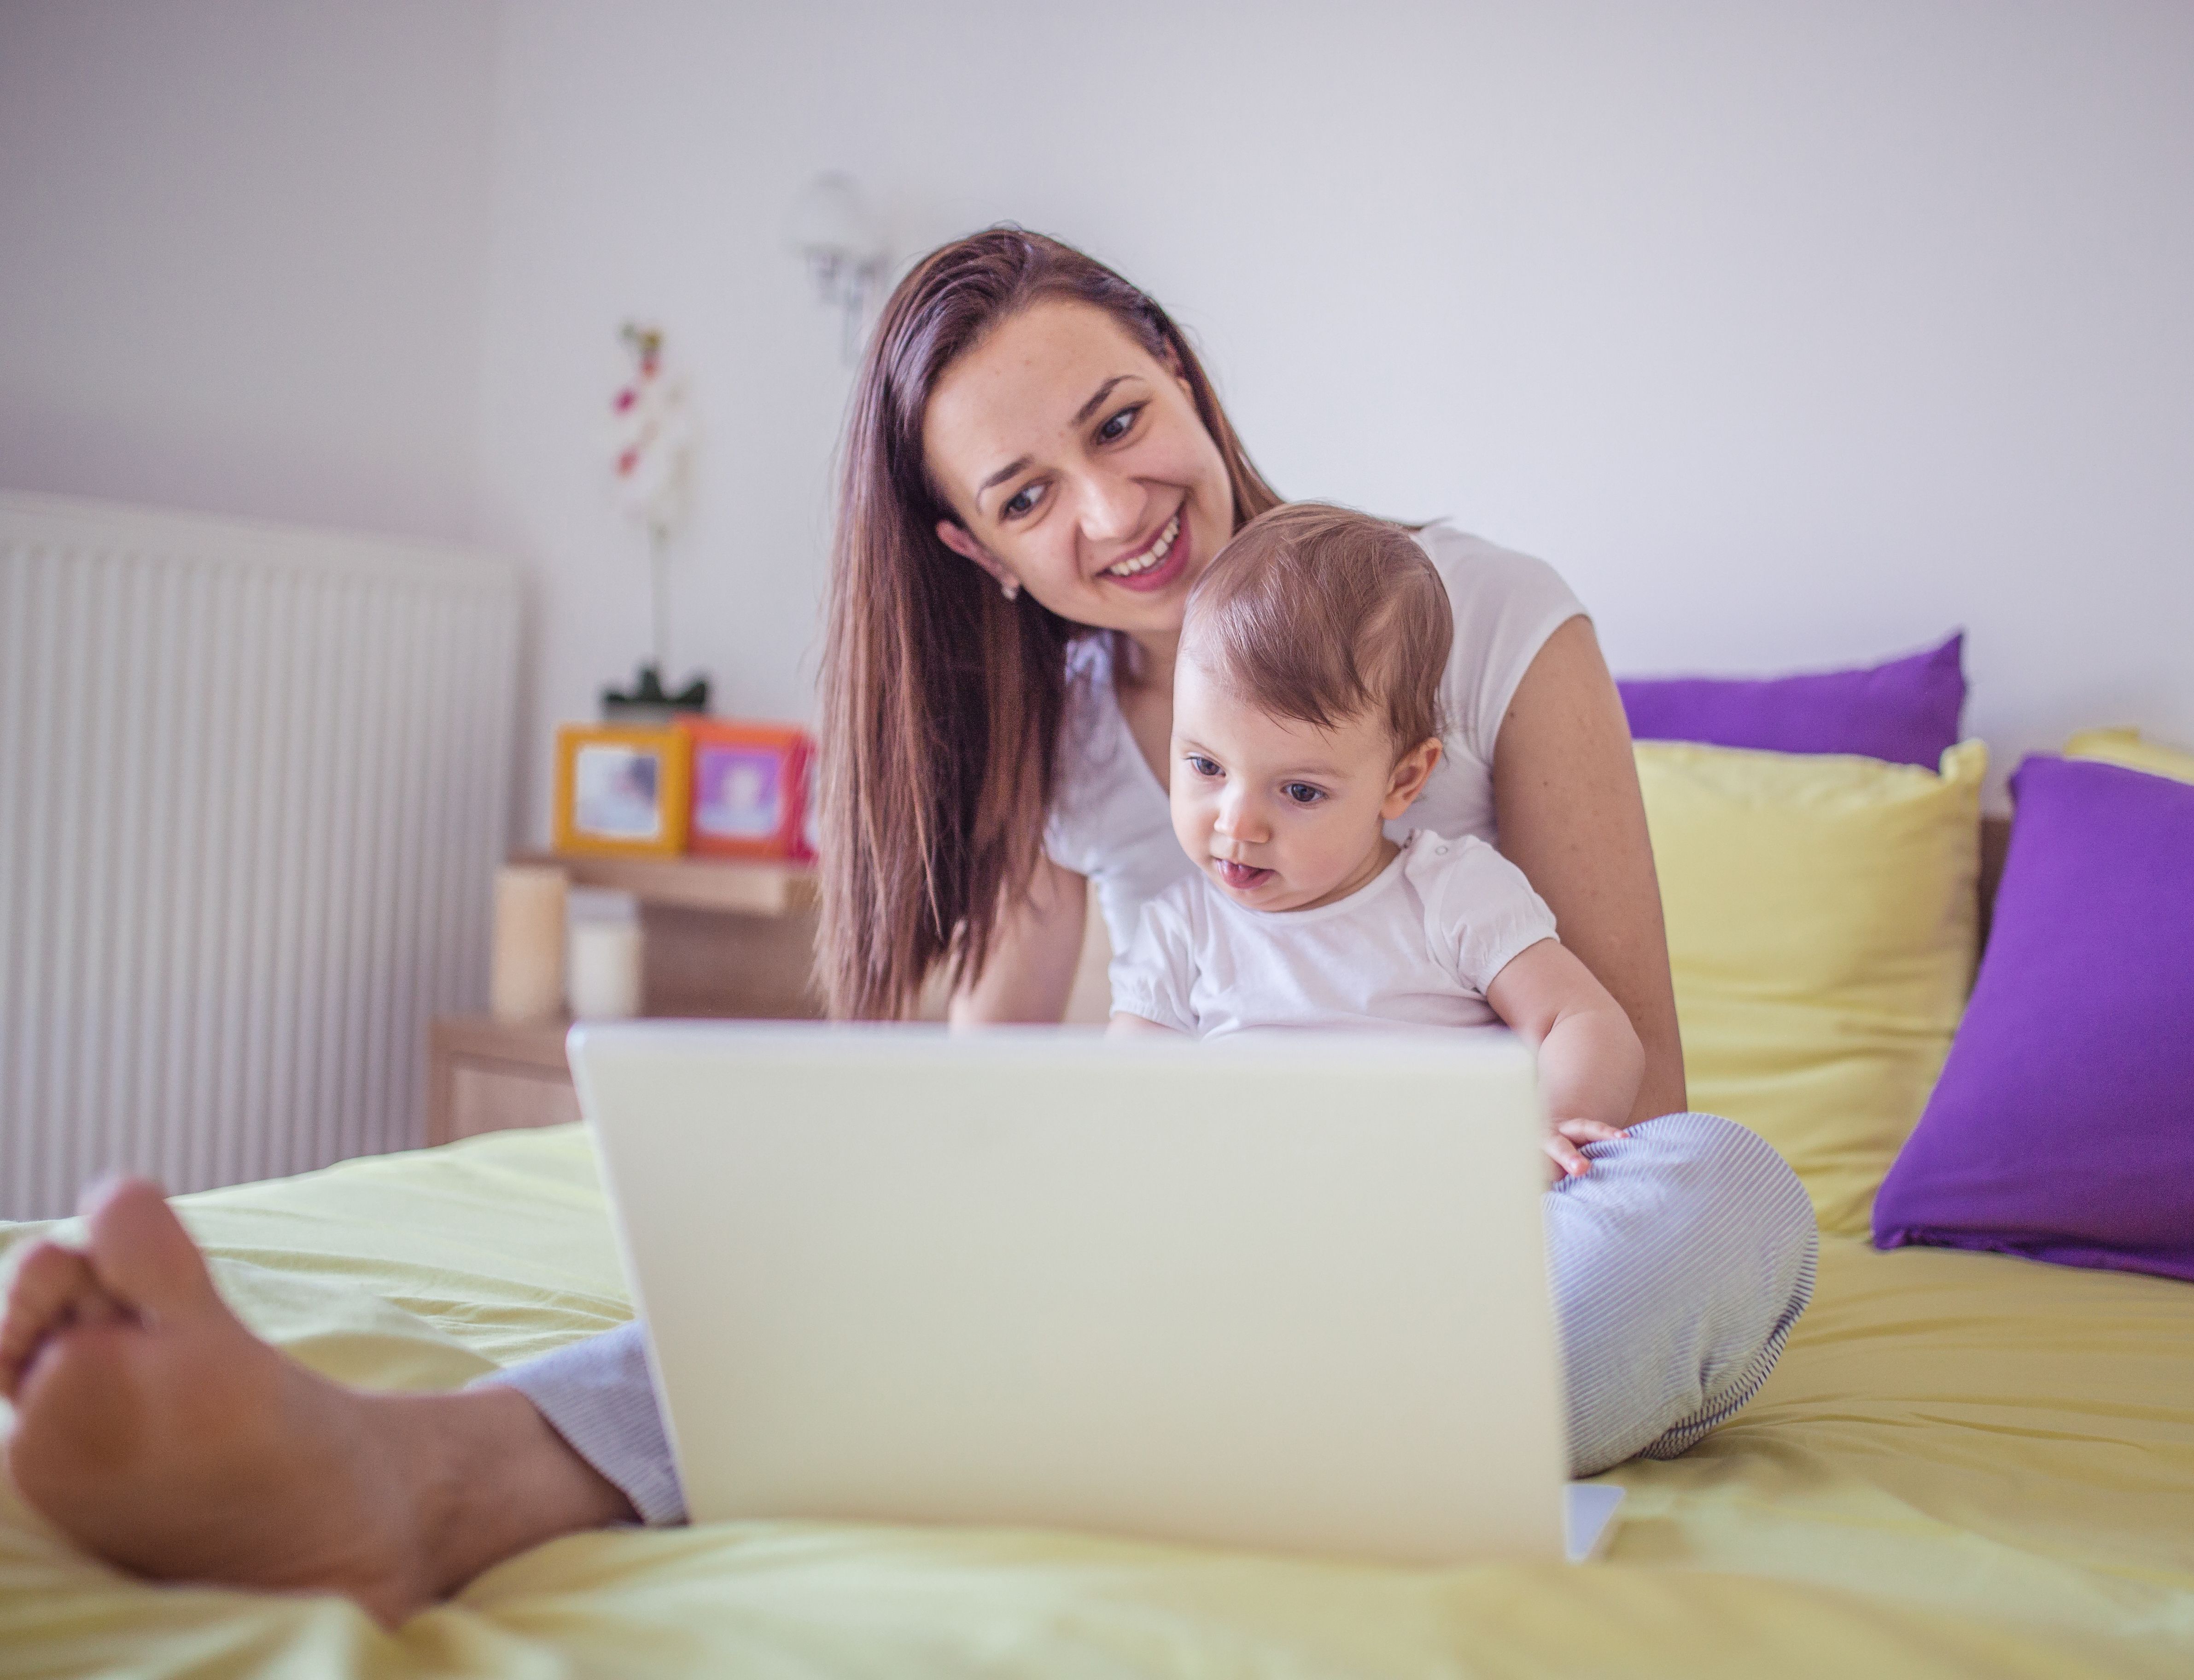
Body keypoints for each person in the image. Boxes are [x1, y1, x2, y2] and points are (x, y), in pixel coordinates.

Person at [0, 228, 1818, 1628]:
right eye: (1028, 496)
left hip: (1507, 1250)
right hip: (1223, 1259)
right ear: (978, 556)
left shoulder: (1493, 616)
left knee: (1726, 1203)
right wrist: (932, 1227)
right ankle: (423, 1473)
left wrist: (1482, 1160)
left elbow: (1637, 1082)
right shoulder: (1061, 735)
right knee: (901, 1256)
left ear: (1181, 376)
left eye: (1120, 422)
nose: (1111, 510)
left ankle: (1099, 1412)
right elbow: (977, 1110)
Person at [1110, 502, 1644, 1182]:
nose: (1236, 824)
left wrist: (1545, 1129)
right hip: (1265, 1217)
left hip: (1447, 1195)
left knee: (1713, 1170)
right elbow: (1126, 1104)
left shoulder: (1450, 894)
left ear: (1403, 779)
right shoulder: (1181, 933)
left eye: (1300, 791)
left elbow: (1588, 1023)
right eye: (1206, 767)